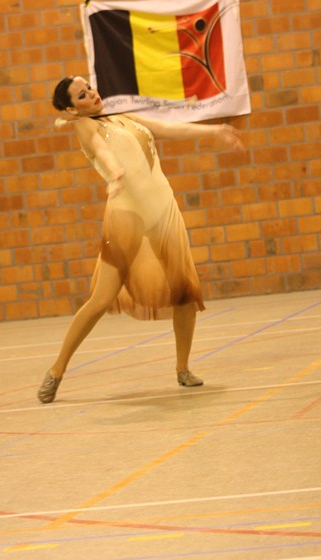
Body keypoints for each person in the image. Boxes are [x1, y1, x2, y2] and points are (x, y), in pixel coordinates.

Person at [38, 75, 245, 403]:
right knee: (101, 299)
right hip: (127, 217)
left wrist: (214, 131)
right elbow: (102, 151)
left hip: (163, 210)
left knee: (185, 292)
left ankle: (183, 368)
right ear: (71, 109)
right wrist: (114, 174)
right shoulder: (84, 126)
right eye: (82, 95)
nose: (91, 94)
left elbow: (168, 128)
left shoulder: (121, 115)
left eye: (89, 87)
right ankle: (56, 370)